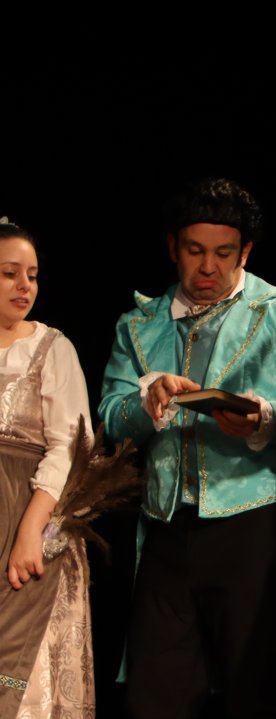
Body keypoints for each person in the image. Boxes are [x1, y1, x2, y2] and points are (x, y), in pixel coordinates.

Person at [99, 178, 276, 718]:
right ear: (173, 247)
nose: (207, 266)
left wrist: (265, 416)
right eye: (194, 250)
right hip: (166, 528)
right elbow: (110, 417)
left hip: (254, 525)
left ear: (245, 252)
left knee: (255, 692)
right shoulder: (139, 324)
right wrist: (146, 403)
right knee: (154, 697)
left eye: (223, 253)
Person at [0, 221, 94, 717]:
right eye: (9, 273)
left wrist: (31, 530)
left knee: (14, 673)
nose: (24, 286)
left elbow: (69, 447)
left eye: (32, 275)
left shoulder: (52, 348)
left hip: (31, 516)